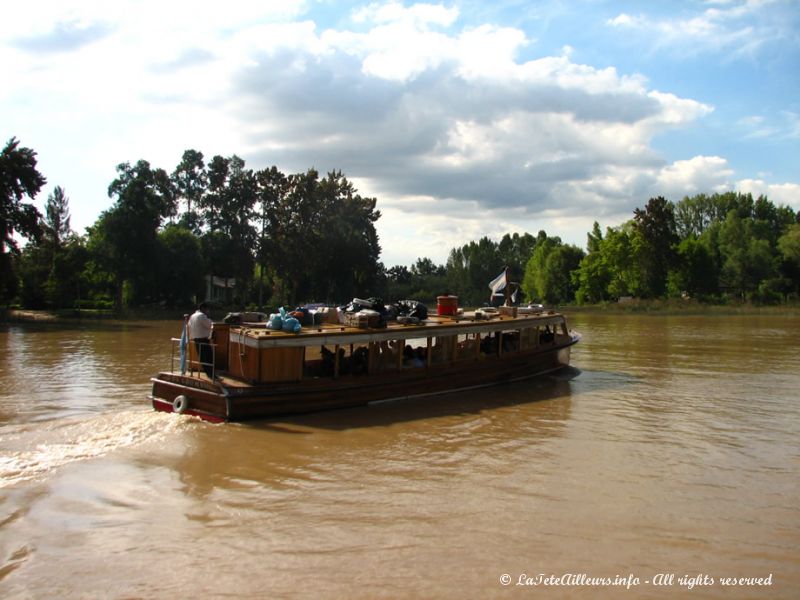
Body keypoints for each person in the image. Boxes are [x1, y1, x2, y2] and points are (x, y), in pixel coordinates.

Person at [188, 302, 215, 379]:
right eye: (207, 309)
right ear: (203, 309)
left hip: (196, 340)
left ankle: (209, 374)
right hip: (203, 340)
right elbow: (211, 325)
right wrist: (208, 317)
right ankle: (211, 375)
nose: (208, 311)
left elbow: (189, 325)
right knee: (209, 358)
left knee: (202, 358)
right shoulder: (202, 316)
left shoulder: (192, 316)